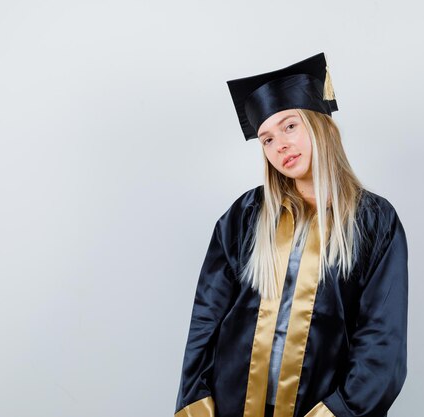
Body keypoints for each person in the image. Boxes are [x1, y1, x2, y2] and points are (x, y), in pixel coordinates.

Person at [174, 52, 408, 417]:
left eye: (289, 126)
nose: (279, 144)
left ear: (319, 124)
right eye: (266, 139)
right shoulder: (245, 216)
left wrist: (340, 410)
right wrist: (197, 400)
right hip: (234, 406)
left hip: (320, 408)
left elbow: (381, 340)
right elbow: (207, 317)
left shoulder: (374, 220)